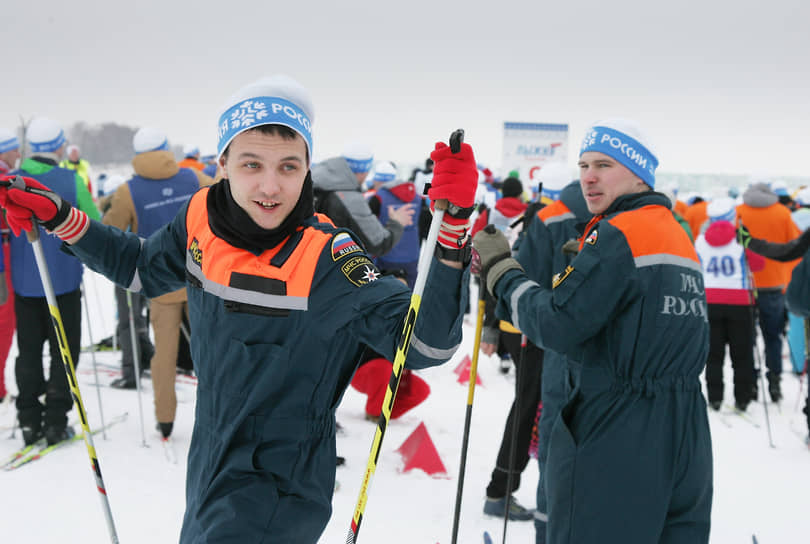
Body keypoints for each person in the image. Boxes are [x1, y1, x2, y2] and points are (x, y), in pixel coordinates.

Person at [0, 74, 475, 543]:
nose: (270, 187)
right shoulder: (200, 216)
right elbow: (142, 266)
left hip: (278, 485)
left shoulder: (328, 257)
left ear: (307, 167)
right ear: (223, 163)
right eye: (252, 165)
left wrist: (451, 228)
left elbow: (426, 345)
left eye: (288, 167)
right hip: (210, 458)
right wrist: (61, 218)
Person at [473, 118, 712, 543]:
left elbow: (555, 325)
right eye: (583, 165)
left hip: (617, 427)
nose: (588, 176)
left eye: (604, 165)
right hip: (685, 429)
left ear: (638, 173)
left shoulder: (619, 233)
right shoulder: (678, 234)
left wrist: (501, 271)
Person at [102, 126, 212, 437]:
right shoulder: (193, 179)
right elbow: (223, 199)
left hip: (160, 285)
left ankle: (165, 419)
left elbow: (112, 233)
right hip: (200, 278)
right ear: (166, 149)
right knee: (211, 349)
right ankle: (218, 414)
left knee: (163, 354)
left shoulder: (128, 190)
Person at [4, 117, 100, 446]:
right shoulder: (71, 179)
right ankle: (56, 421)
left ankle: (30, 420)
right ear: (58, 146)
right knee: (64, 352)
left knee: (28, 352)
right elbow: (94, 224)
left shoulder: (11, 181)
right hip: (65, 282)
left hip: (26, 285)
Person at [695, 197, 763, 412]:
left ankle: (715, 397)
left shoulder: (700, 240)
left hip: (710, 301)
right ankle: (742, 398)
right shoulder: (741, 238)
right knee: (741, 353)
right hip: (740, 302)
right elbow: (759, 265)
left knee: (713, 354)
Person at [736, 181, 801, 402]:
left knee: (747, 338)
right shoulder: (782, 213)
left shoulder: (739, 212)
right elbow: (794, 248)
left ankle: (751, 383)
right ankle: (774, 381)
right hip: (774, 284)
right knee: (773, 337)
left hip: (746, 284)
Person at [312, 141, 415, 257]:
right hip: (331, 263)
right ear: (365, 170)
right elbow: (379, 243)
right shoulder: (350, 198)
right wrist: (397, 223)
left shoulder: (312, 181)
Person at [367, 161, 424, 288]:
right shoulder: (416, 197)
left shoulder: (378, 198)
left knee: (386, 293)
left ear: (378, 181)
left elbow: (369, 229)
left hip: (387, 254)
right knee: (410, 295)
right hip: (412, 254)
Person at [0, 128, 21, 403]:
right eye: (15, 149)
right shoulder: (5, 181)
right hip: (2, 262)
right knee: (5, 322)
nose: (19, 154)